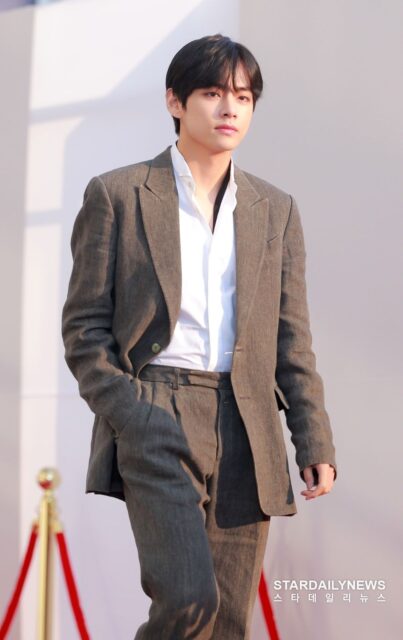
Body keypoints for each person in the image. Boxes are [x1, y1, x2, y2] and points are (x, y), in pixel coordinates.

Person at [61, 33, 337, 640]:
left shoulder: (276, 208)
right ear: (175, 101)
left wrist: (312, 437)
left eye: (243, 96)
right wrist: (134, 414)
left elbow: (292, 339)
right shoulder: (118, 194)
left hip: (247, 419)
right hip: (157, 408)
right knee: (188, 601)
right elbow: (83, 329)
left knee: (229, 620)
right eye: (212, 93)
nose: (229, 108)